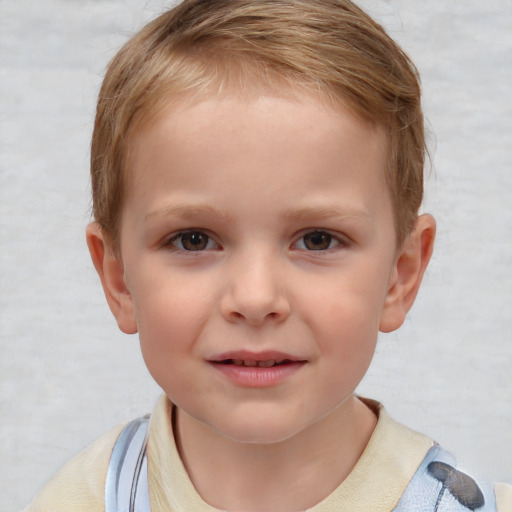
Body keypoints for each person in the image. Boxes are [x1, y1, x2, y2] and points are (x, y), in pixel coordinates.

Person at [24, 0, 511, 511]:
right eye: (194, 239)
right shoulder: (79, 500)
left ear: (400, 276)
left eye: (318, 240)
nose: (255, 299)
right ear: (119, 278)